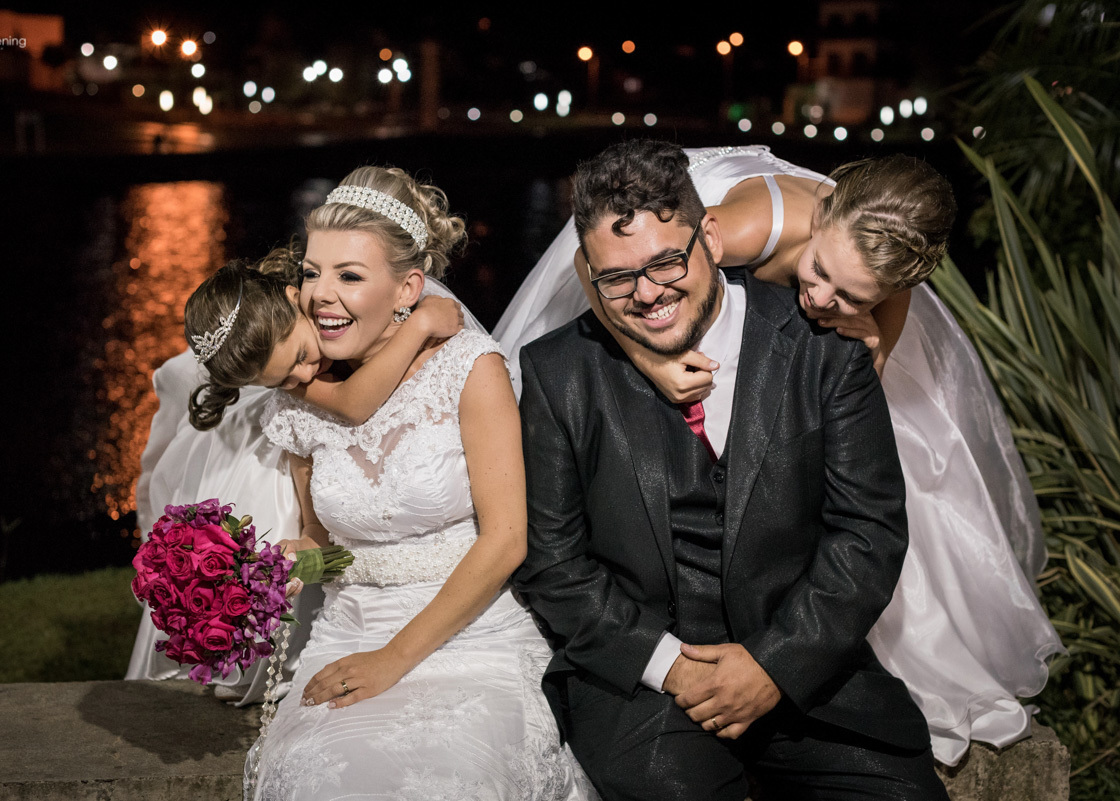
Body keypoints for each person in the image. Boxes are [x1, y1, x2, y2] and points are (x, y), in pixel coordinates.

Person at [497, 143, 1061, 767]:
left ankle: (813, 633)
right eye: (817, 273)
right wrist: (648, 359)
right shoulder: (737, 233)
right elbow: (607, 264)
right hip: (680, 294)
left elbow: (865, 360)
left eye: (851, 297)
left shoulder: (873, 263)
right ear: (819, 225)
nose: (819, 302)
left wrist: (853, 370)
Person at [182, 166, 596, 800]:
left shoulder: (470, 370)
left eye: (350, 275)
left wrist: (393, 661)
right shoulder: (298, 396)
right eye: (313, 271)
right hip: (349, 633)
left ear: (408, 287)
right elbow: (323, 545)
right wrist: (257, 574)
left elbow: (508, 541)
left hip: (474, 639)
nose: (322, 294)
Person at [126, 249, 465, 704]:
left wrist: (419, 325)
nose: (307, 376)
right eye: (283, 379)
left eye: (303, 356)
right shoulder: (297, 403)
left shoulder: (345, 314)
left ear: (294, 298)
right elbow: (314, 524)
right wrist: (299, 554)